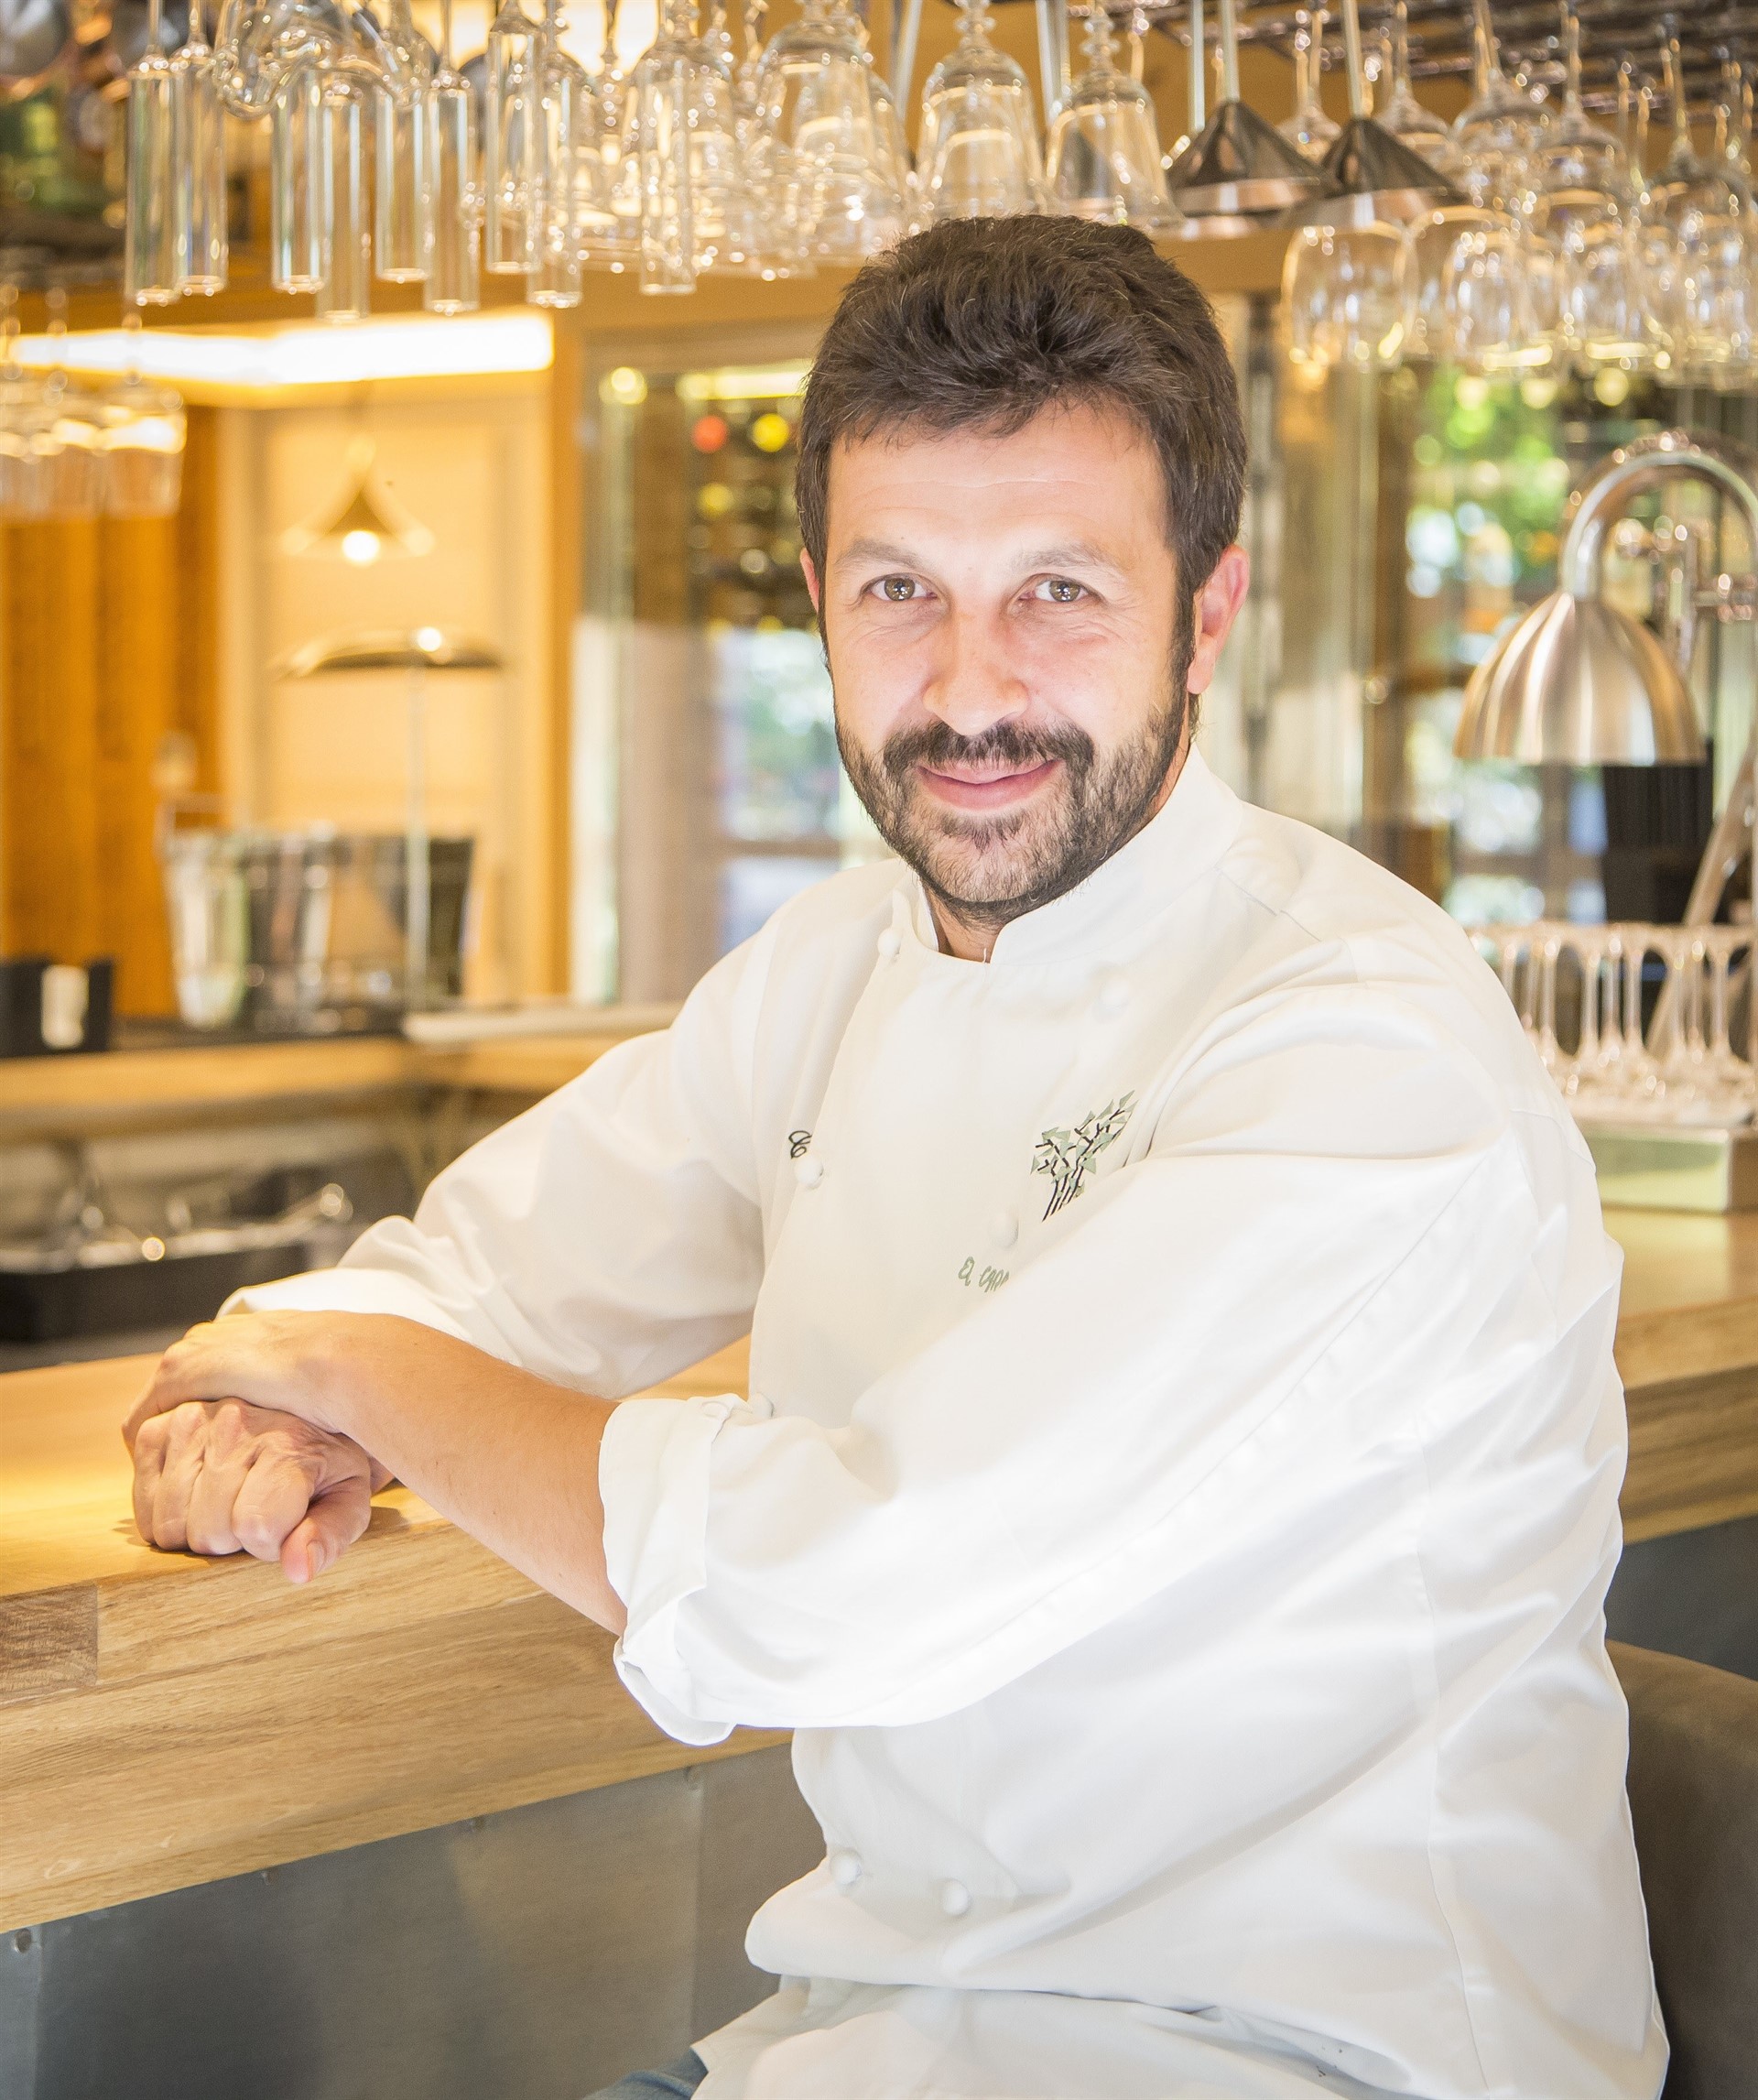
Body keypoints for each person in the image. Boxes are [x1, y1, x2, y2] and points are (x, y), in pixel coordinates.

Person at [125, 217, 1666, 2100]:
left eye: (1058, 591)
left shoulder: (1362, 1044)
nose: (969, 687)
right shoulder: (835, 966)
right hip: (875, 2033)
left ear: (1208, 610)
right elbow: (476, 1281)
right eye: (898, 590)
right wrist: (264, 1407)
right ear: (817, 602)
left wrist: (345, 1371)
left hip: (1304, 2053)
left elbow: (847, 1577)